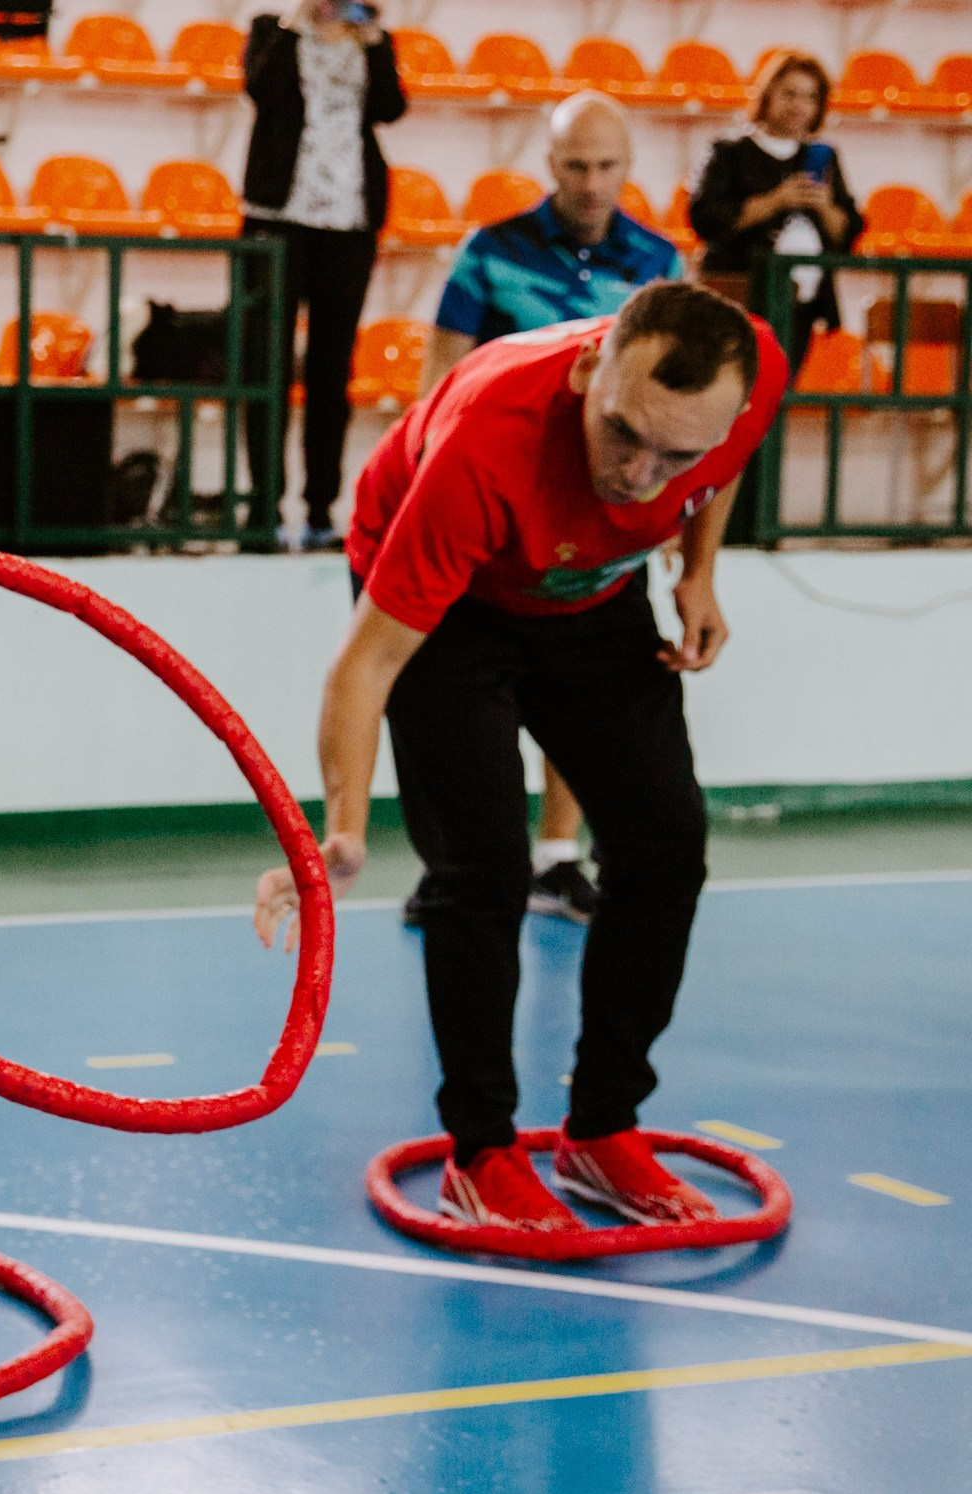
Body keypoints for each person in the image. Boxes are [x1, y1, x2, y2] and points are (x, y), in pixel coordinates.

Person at [254, 283, 787, 1231]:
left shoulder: (747, 379)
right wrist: (338, 829)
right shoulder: (486, 442)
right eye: (623, 434)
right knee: (482, 874)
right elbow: (367, 661)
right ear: (590, 371)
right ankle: (482, 1151)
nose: (640, 474)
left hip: (587, 593)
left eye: (677, 453)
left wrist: (699, 570)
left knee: (666, 841)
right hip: (451, 608)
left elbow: (721, 467)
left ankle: (601, 1129)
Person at [410, 91, 683, 928]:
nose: (592, 183)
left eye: (607, 165)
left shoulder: (660, 262)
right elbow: (441, 381)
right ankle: (457, 863)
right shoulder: (490, 253)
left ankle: (557, 859)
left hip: (600, 514)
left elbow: (687, 401)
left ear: (629, 165)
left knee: (578, 696)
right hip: (493, 512)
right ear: (549, 166)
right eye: (575, 166)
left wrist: (686, 545)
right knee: (461, 707)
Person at [238, 0, 405, 549]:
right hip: (276, 219)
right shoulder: (272, 29)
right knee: (267, 364)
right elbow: (262, 89)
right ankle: (264, 505)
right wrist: (297, 25)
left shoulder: (371, 39)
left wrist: (374, 42)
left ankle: (319, 508)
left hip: (349, 221)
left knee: (333, 371)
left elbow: (390, 106)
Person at [690, 50, 862, 371]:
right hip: (739, 294)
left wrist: (824, 208)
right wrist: (777, 200)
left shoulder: (823, 156)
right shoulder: (729, 151)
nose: (799, 106)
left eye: (810, 97)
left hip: (802, 305)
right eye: (789, 94)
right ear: (768, 94)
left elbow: (849, 228)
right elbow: (706, 216)